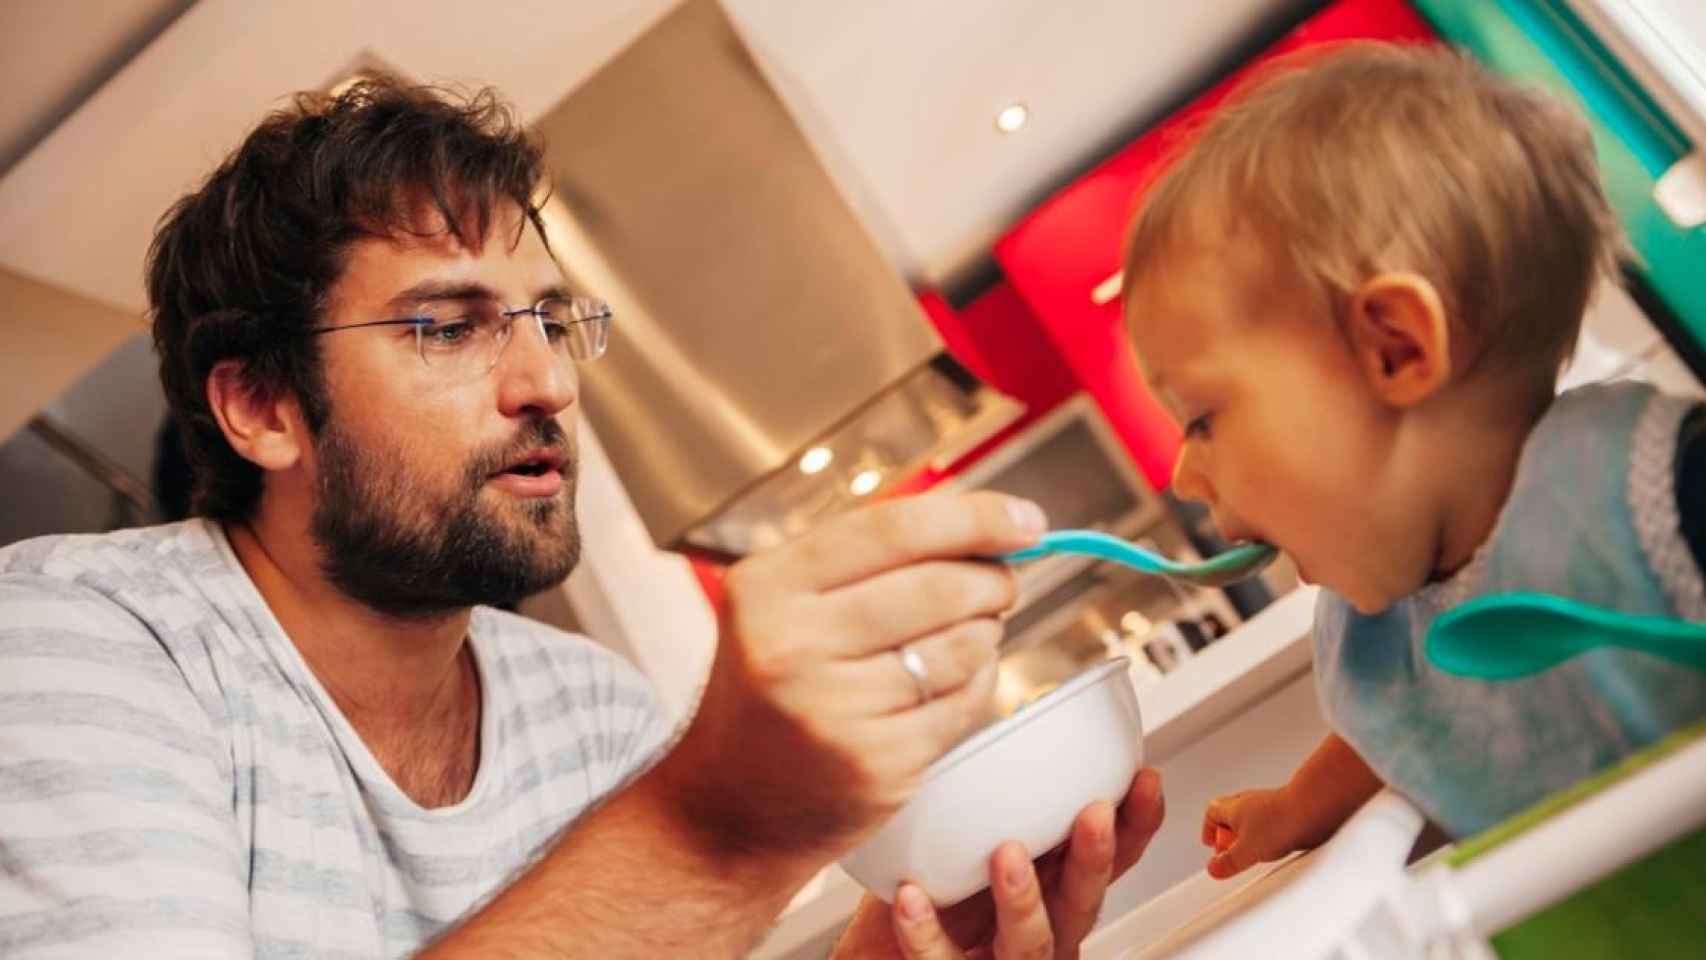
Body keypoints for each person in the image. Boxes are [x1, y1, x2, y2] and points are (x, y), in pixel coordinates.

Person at [0, 77, 1165, 958]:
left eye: (550, 320)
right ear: (260, 405)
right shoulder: (73, 646)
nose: (546, 382)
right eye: (446, 327)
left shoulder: (591, 711)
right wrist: (719, 822)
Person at [1116, 43, 1706, 880]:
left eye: (1202, 418)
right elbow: (1415, 733)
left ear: (1395, 348)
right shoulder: (1386, 629)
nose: (1182, 475)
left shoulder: (1656, 492)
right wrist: (1291, 809)